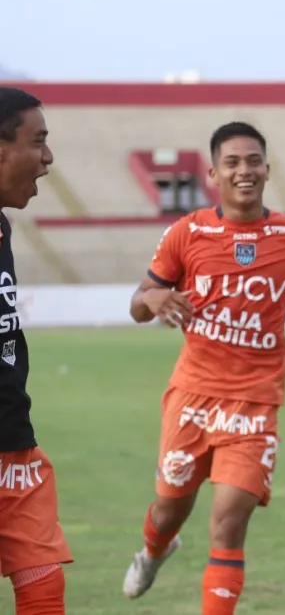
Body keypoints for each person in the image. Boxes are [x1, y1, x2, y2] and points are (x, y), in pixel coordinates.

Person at [121, 122, 285, 614]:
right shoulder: (187, 232)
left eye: (253, 161)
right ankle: (155, 550)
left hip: (255, 402)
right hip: (192, 396)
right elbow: (137, 302)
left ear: (267, 168)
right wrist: (154, 298)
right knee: (170, 507)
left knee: (228, 524)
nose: (245, 171)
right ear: (214, 173)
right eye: (233, 163)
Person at [0, 87, 73, 614]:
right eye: (38, 141)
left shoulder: (1, 226)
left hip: (14, 445)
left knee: (44, 587)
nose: (48, 158)